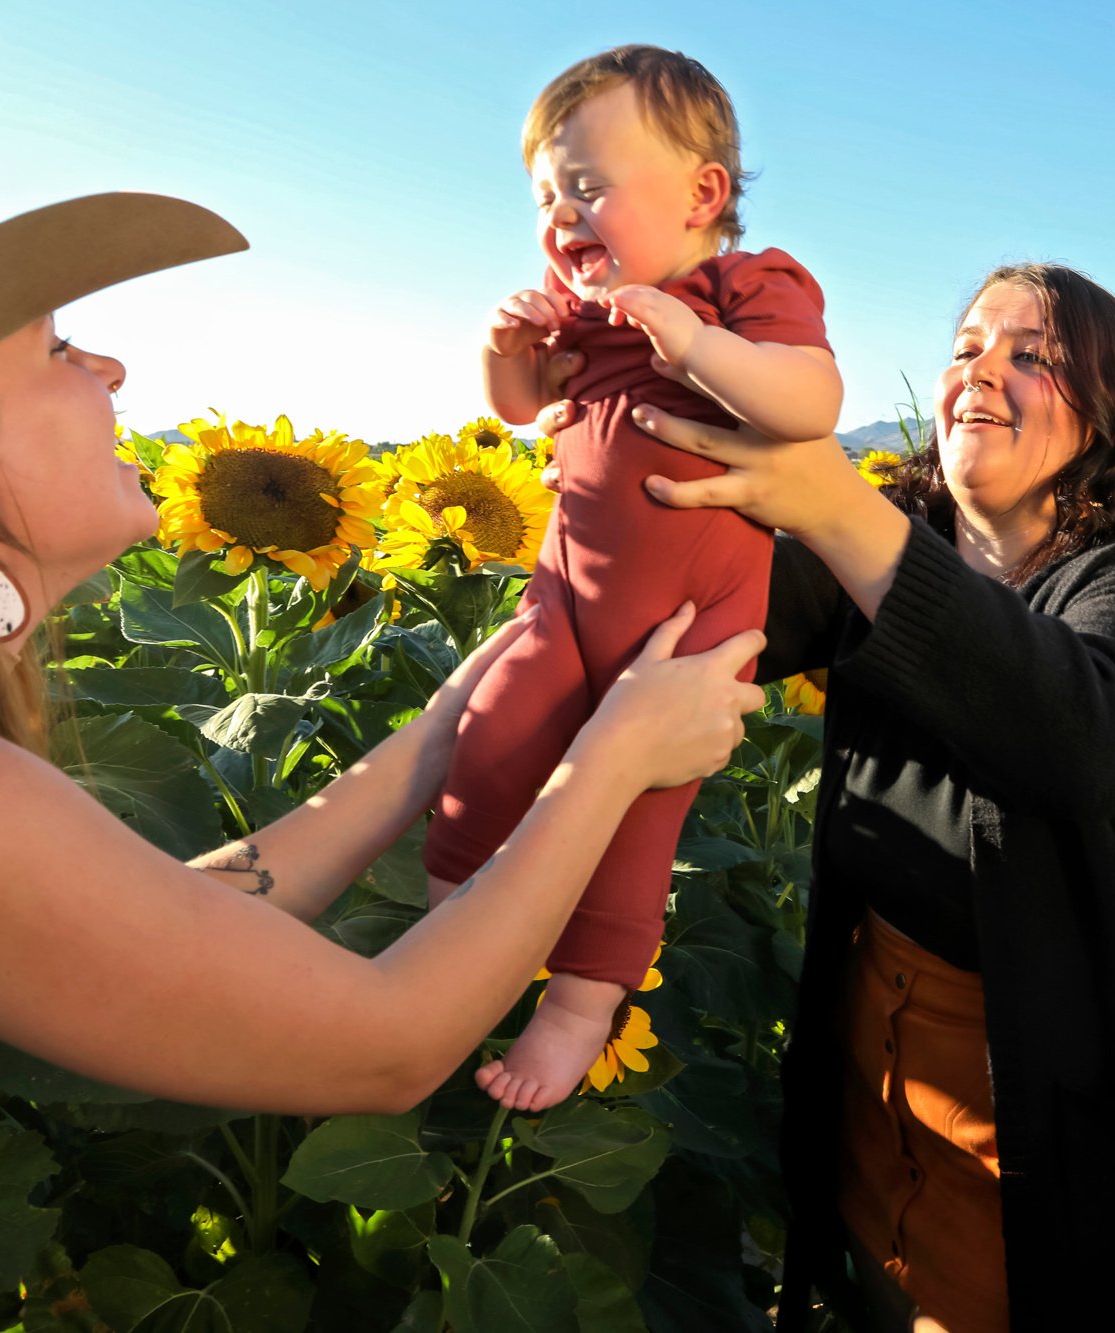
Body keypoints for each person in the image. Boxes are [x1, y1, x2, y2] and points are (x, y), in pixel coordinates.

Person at [0, 116, 766, 1331]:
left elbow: (158, 927)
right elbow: (388, 1043)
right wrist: (615, 755)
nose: (107, 371)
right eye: (53, 350)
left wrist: (444, 728)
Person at [540, 264, 1115, 1330]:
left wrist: (836, 509)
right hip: (873, 1044)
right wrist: (626, 408)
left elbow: (1083, 740)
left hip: (1048, 1094)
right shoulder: (883, 543)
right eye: (966, 346)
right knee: (874, 1292)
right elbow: (698, 614)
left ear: (1113, 409)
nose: (981, 370)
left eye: (1032, 355)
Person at [423, 44, 842, 1112]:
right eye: (544, 195)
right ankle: (446, 929)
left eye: (587, 186)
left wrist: (698, 345)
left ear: (703, 194)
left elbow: (807, 402)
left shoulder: (747, 290)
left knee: (637, 820)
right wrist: (505, 349)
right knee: (493, 736)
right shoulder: (583, 315)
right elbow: (520, 406)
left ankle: (576, 1011)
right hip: (563, 602)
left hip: (685, 638)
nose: (561, 213)